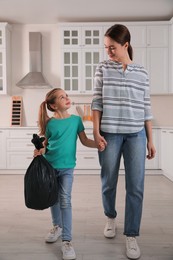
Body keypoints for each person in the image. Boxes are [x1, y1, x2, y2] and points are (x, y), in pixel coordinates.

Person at [91, 24, 156, 260]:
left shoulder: (142, 72)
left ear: (125, 45)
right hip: (109, 134)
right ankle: (110, 216)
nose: (108, 51)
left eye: (112, 47)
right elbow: (96, 102)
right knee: (108, 179)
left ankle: (131, 234)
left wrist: (150, 139)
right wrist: (96, 132)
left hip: (136, 135)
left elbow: (146, 108)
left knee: (136, 185)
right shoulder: (103, 68)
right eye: (106, 47)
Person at [34, 88, 104, 260]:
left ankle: (67, 241)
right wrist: (39, 151)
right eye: (61, 97)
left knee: (65, 198)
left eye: (66, 96)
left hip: (67, 168)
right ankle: (57, 226)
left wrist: (98, 144)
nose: (66, 98)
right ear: (52, 105)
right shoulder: (50, 123)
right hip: (50, 167)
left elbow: (85, 140)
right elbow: (47, 144)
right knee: (54, 198)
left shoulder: (76, 120)